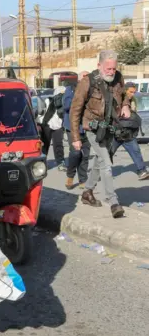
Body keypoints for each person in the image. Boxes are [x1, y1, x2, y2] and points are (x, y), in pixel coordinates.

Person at [70, 50, 130, 218]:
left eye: (113, 69)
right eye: (108, 69)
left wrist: (125, 105)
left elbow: (124, 94)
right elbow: (75, 110)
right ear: (99, 65)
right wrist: (75, 138)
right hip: (92, 128)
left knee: (99, 161)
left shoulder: (118, 77)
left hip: (110, 127)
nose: (112, 72)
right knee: (106, 163)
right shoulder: (87, 82)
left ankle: (87, 192)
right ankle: (113, 202)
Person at [109, 82, 149, 180]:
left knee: (136, 151)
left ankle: (142, 171)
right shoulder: (117, 100)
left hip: (128, 133)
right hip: (116, 133)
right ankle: (97, 174)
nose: (132, 94)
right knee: (107, 153)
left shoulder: (133, 101)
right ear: (125, 91)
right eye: (130, 92)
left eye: (134, 92)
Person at [63, 71, 91, 189]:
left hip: (86, 127)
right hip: (72, 127)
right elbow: (66, 106)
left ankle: (82, 179)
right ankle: (70, 175)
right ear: (78, 79)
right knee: (75, 153)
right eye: (83, 76)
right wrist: (79, 100)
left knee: (85, 155)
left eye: (87, 77)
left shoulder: (92, 89)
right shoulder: (71, 89)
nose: (85, 79)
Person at [39, 86, 67, 171]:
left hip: (58, 126)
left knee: (58, 145)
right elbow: (41, 112)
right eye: (60, 94)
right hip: (47, 125)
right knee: (45, 145)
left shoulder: (66, 102)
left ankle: (60, 162)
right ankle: (42, 162)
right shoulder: (48, 101)